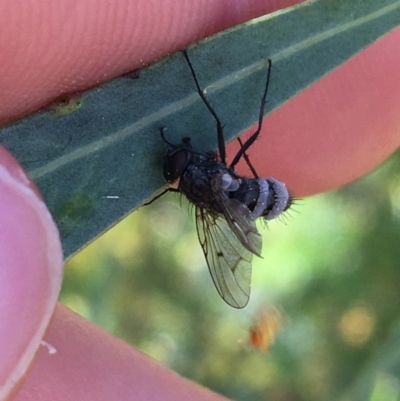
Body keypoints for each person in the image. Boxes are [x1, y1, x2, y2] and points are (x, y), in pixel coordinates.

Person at [1, 0, 399, 399]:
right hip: (255, 196)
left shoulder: (200, 183)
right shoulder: (208, 178)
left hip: (260, 197)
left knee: (235, 134)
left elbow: (212, 192)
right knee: (235, 135)